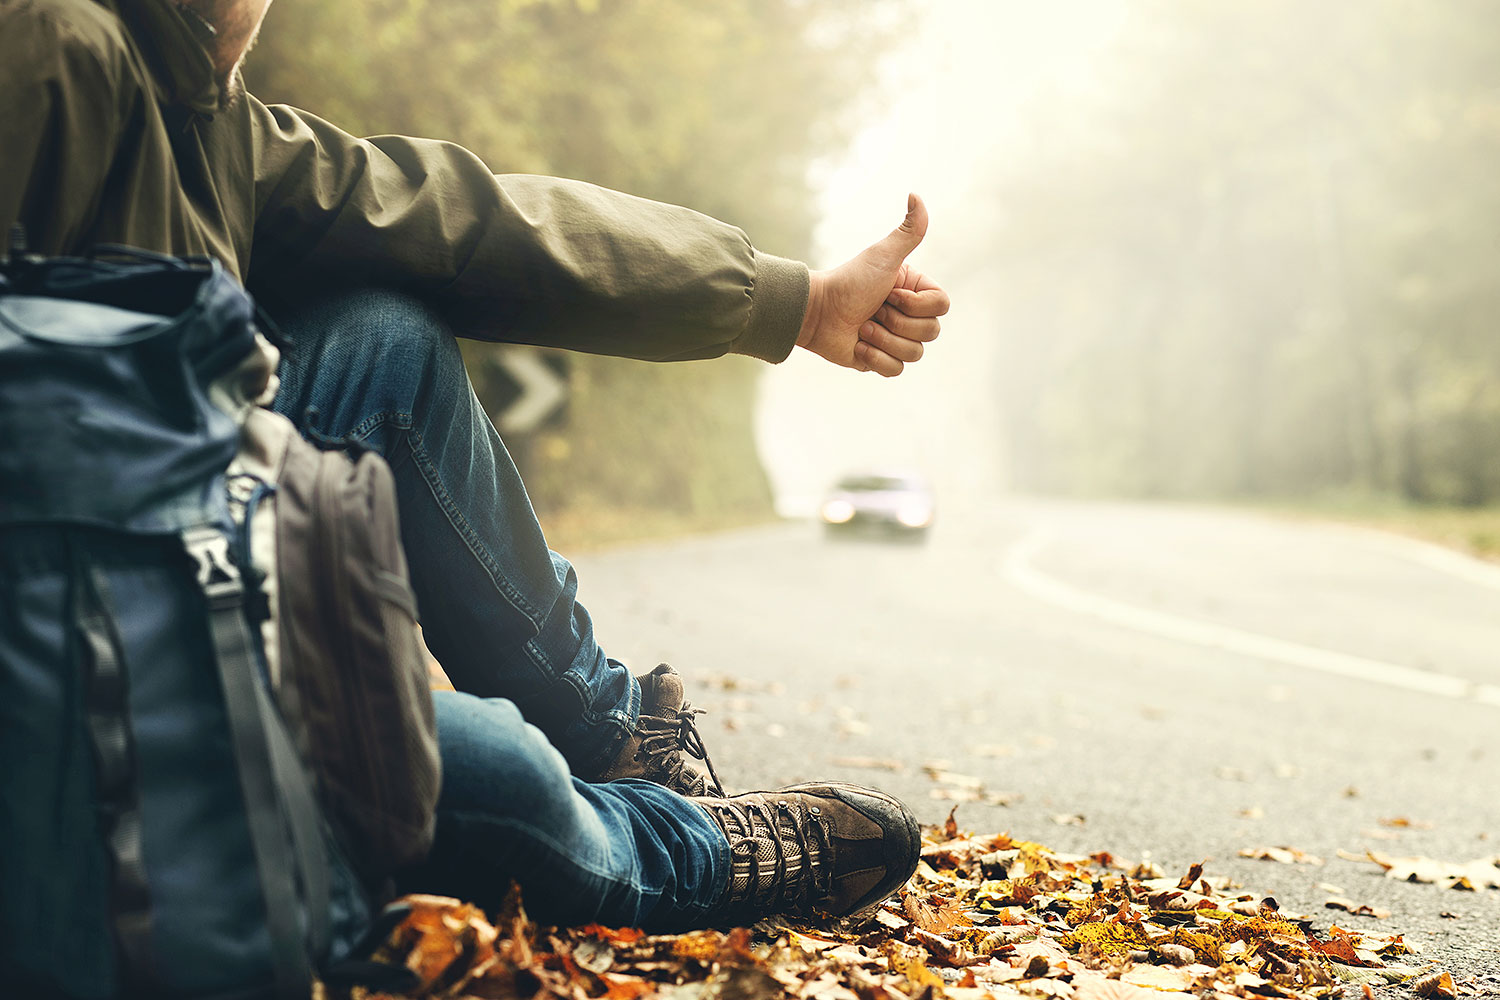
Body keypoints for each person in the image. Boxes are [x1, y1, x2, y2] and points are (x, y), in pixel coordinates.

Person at [0, 0, 951, 930]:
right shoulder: (50, 48)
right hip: (84, 657)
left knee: (385, 340)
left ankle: (617, 741)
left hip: (168, 552)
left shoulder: (202, 110)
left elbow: (469, 224)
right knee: (494, 777)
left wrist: (796, 304)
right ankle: (689, 851)